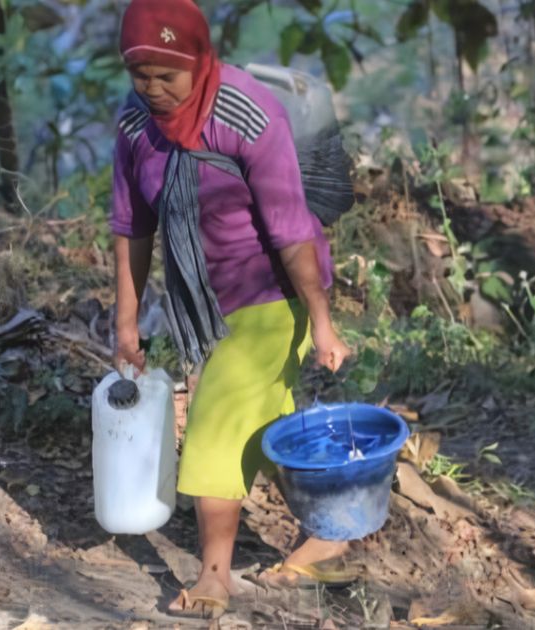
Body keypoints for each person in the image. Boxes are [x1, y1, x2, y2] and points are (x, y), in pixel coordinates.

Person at [110, 0, 353, 618]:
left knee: (216, 423)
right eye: (141, 76)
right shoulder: (135, 127)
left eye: (169, 76)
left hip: (275, 297)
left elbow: (292, 229)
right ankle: (334, 528)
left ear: (199, 59)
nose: (155, 90)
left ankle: (214, 576)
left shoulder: (246, 114)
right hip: (204, 303)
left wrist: (321, 320)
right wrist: (127, 320)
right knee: (262, 427)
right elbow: (132, 227)